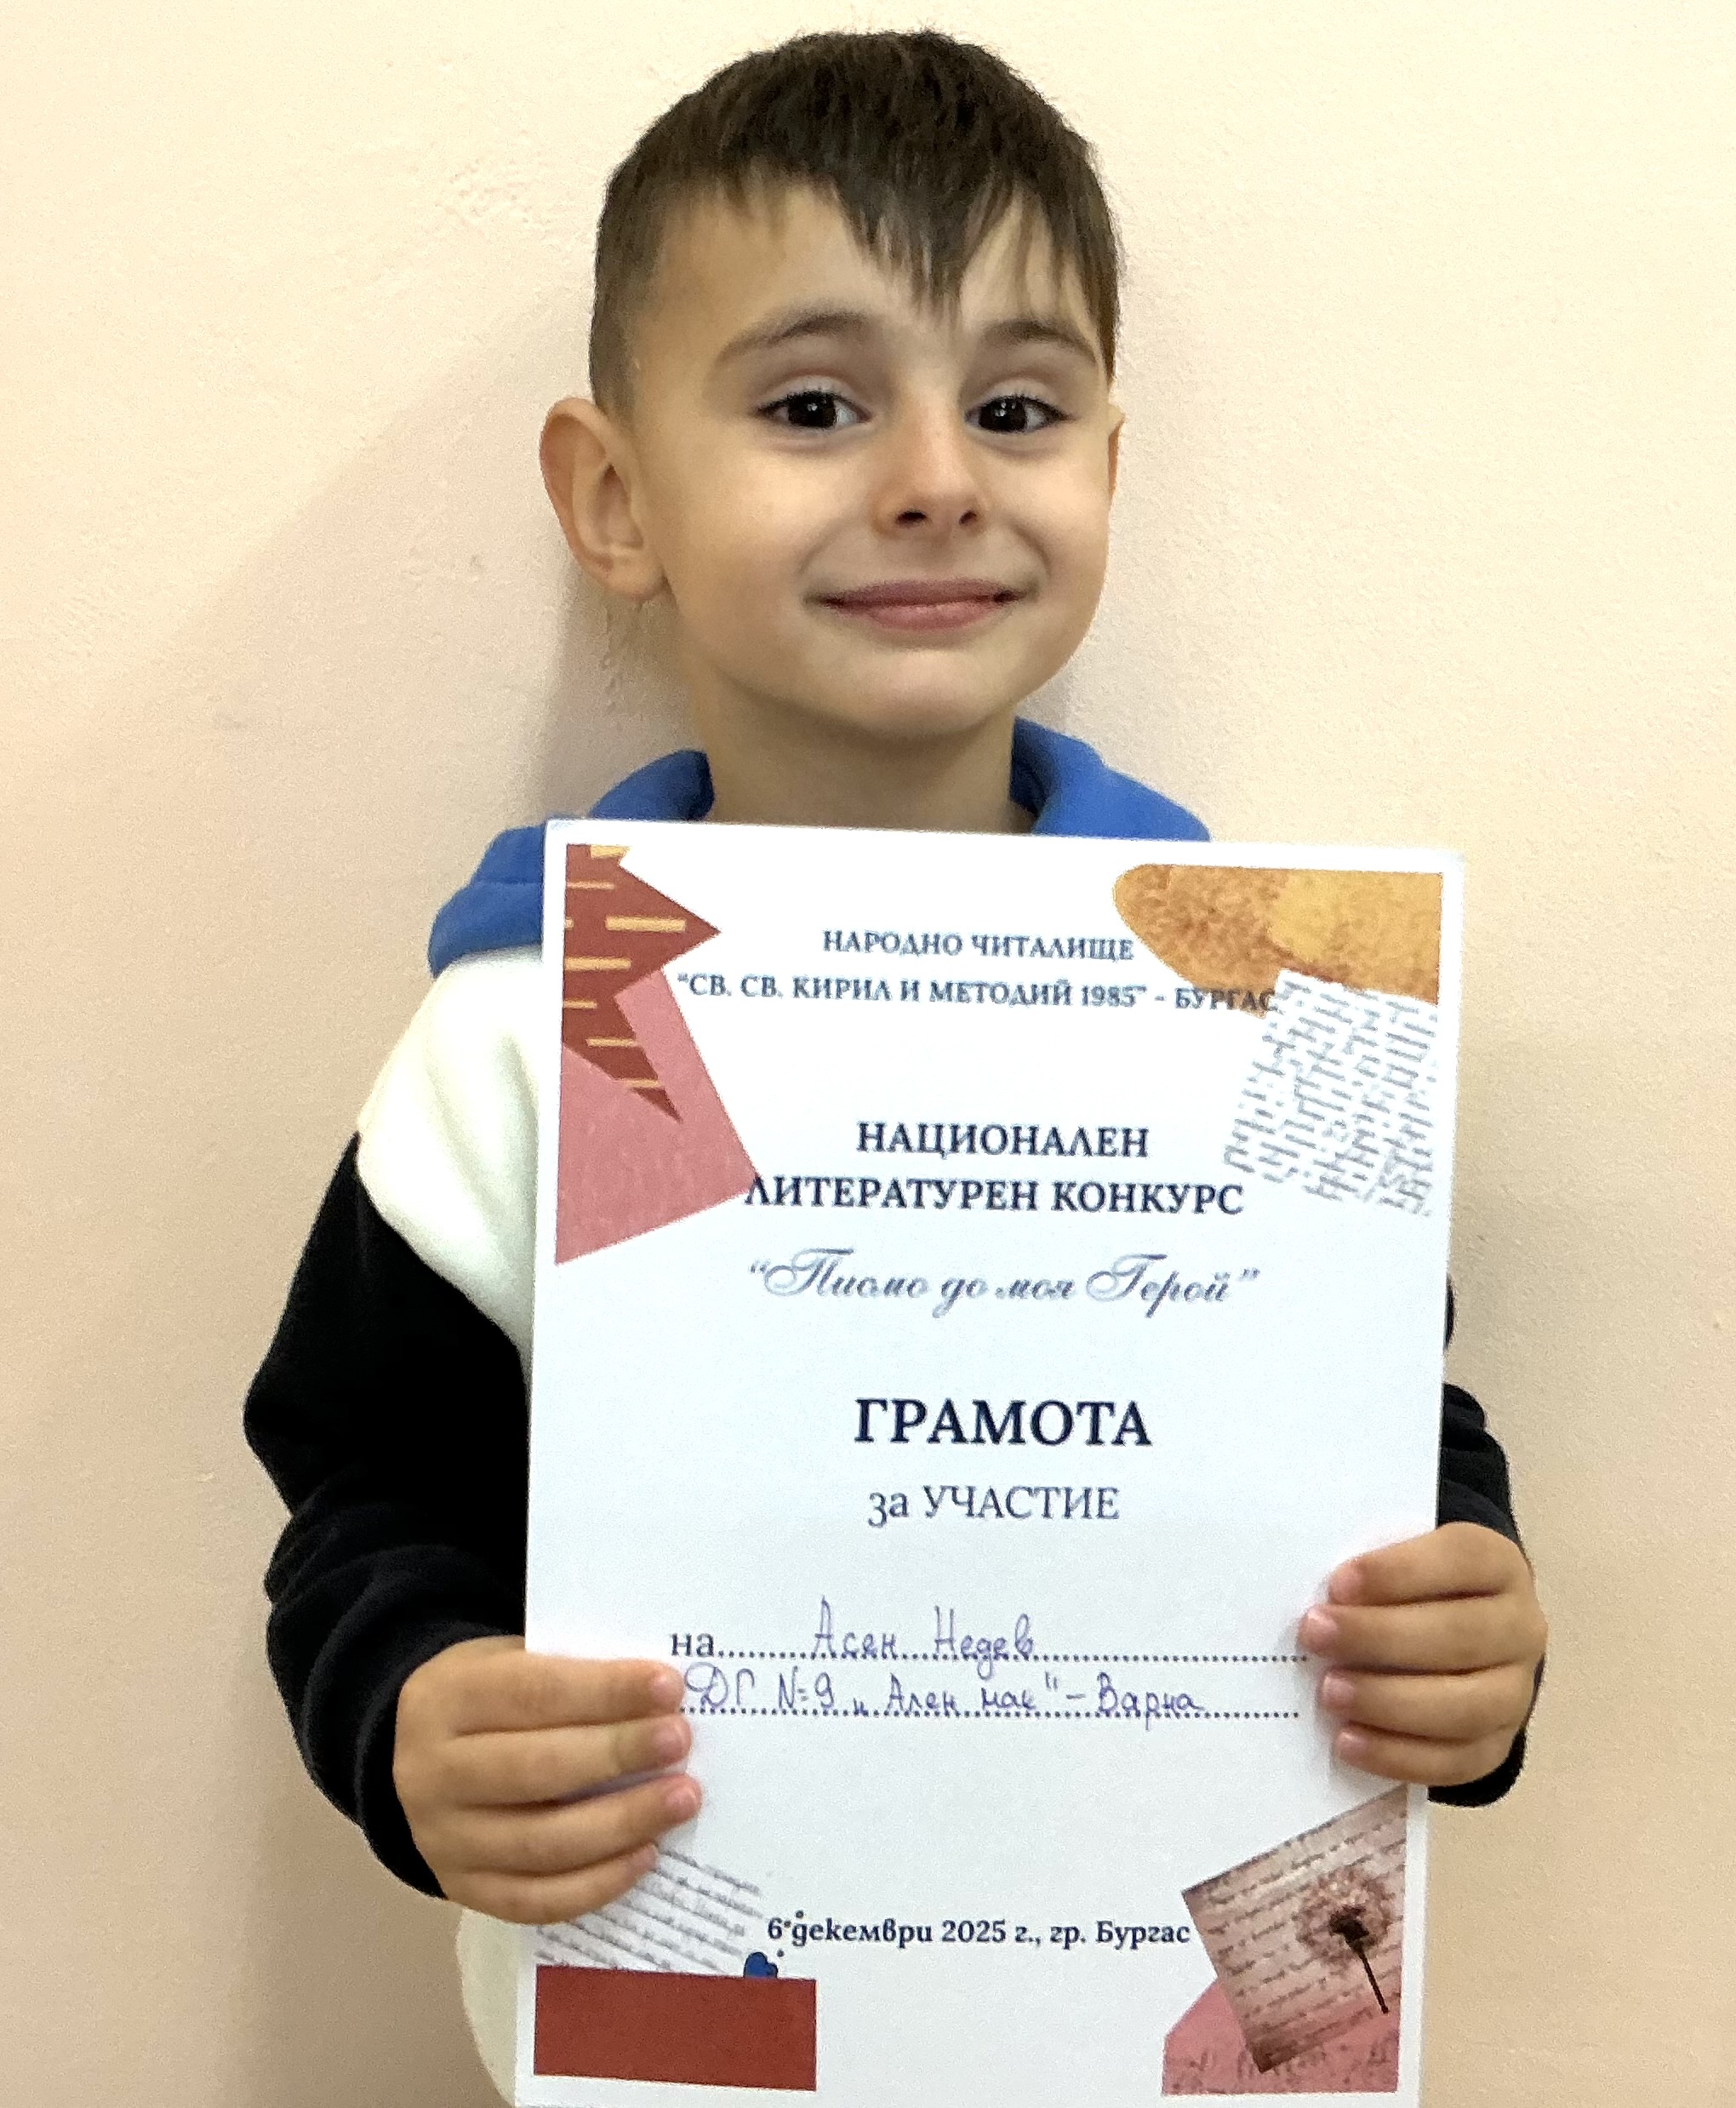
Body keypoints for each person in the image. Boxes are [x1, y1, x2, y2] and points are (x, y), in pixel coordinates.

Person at [244, 29, 1547, 2096]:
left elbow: (1383, 1425)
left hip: (1166, 2049)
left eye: (1018, 409)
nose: (938, 476)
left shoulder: (1277, 1021)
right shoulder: (533, 1035)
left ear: (1107, 468)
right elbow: (369, 1491)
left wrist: (1463, 1626)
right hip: (683, 2045)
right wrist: (412, 1702)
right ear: (614, 496)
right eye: (813, 405)